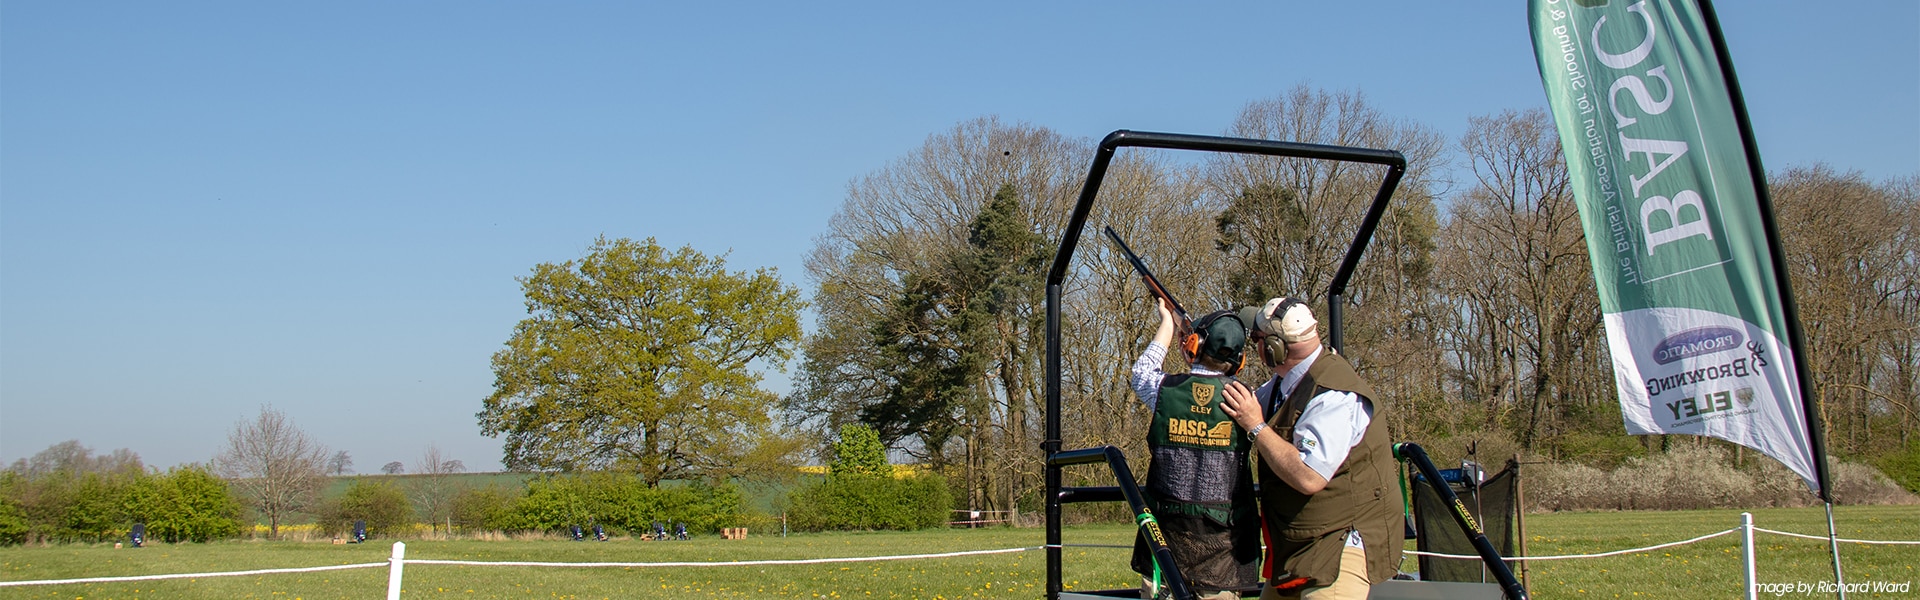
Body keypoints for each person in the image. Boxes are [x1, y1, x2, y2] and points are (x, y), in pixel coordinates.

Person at [1219, 297, 1400, 600]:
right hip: (1303, 545)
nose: (1254, 345)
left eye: (1258, 339)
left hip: (1339, 546)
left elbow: (1309, 476)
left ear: (1275, 346)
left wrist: (1256, 427)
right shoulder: (1286, 382)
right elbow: (1240, 403)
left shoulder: (1334, 396)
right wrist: (1204, 360)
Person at [1128, 297, 1262, 600]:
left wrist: (1167, 322)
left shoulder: (1165, 392)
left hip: (1165, 550)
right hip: (1223, 561)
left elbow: (1142, 371)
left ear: (1193, 344)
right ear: (1238, 361)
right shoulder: (1249, 401)